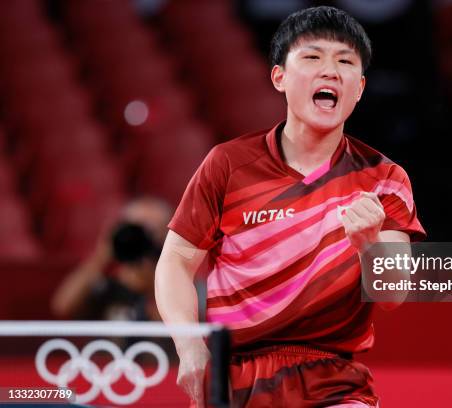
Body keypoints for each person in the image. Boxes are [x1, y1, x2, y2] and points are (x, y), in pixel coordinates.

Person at [155, 6, 426, 407]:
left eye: (345, 62)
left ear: (360, 87)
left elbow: (394, 293)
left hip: (333, 380)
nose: (331, 71)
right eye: (313, 57)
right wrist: (189, 343)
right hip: (235, 378)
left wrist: (370, 245)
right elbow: (176, 259)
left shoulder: (385, 178)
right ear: (279, 77)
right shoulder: (228, 164)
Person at [51, 197, 172, 323]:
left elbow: (173, 326)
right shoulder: (106, 285)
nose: (141, 239)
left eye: (152, 232)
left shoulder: (178, 284)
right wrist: (101, 256)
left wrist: (154, 285)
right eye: (136, 230)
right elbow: (63, 307)